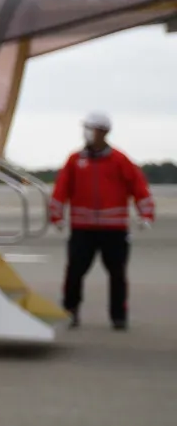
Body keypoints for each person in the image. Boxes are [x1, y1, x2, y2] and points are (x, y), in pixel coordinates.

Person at [51, 111, 156, 330]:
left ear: (104, 132)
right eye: (86, 128)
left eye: (91, 128)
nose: (86, 133)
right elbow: (61, 189)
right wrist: (56, 216)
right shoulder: (75, 160)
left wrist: (146, 214)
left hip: (114, 230)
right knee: (74, 271)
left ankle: (119, 316)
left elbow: (138, 187)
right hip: (82, 229)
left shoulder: (119, 160)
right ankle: (70, 310)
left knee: (117, 274)